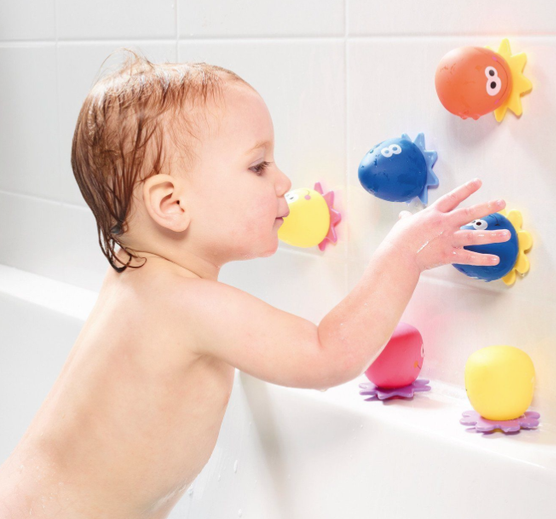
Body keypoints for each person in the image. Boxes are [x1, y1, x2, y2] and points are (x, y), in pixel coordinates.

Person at [0, 48, 510, 518]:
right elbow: (328, 353)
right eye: (258, 165)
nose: (283, 181)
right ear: (172, 204)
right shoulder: (187, 305)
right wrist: (402, 257)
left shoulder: (134, 284)